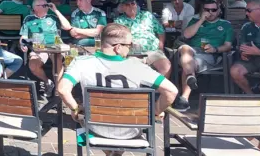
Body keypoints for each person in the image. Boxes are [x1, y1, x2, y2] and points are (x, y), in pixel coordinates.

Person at [58, 24, 178, 155]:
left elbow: (63, 89)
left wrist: (75, 108)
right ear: (118, 47)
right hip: (131, 130)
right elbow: (172, 91)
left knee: (81, 115)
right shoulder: (137, 66)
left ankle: (110, 153)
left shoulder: (81, 62)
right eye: (129, 45)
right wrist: (155, 112)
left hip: (95, 128)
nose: (130, 49)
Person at [174, 0, 233, 111]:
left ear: (219, 10)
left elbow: (228, 46)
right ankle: (190, 78)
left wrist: (215, 49)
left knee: (188, 62)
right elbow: (186, 35)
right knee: (185, 48)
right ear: (202, 10)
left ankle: (184, 98)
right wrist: (201, 20)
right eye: (207, 10)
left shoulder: (226, 25)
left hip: (210, 53)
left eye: (213, 10)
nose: (210, 13)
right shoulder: (195, 21)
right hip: (192, 50)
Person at [19, 0, 72, 98]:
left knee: (58, 61)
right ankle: (47, 82)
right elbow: (24, 36)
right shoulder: (29, 19)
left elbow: (67, 27)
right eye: (44, 5)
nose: (47, 7)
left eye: (47, 5)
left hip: (55, 47)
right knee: (33, 65)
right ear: (35, 8)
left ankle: (58, 89)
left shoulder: (52, 17)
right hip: (39, 48)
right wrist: (23, 44)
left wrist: (55, 10)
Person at [114, 0, 171, 78]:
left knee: (166, 67)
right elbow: (118, 39)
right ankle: (141, 90)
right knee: (132, 70)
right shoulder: (119, 21)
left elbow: (160, 31)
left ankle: (157, 89)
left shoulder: (147, 15)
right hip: (133, 53)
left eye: (132, 3)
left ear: (136, 5)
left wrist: (161, 45)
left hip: (153, 51)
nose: (131, 6)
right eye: (127, 4)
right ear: (122, 8)